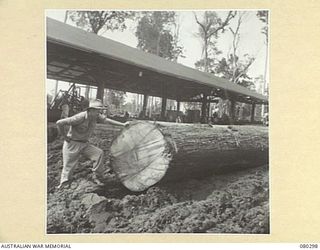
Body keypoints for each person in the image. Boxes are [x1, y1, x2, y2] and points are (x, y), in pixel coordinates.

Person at [56, 99, 129, 189]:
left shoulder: (96, 116)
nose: (99, 113)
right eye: (97, 110)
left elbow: (107, 120)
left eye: (100, 111)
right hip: (72, 144)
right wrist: (65, 137)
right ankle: (64, 186)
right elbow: (59, 123)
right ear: (90, 110)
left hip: (84, 144)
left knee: (98, 154)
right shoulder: (79, 117)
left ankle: (97, 177)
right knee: (68, 166)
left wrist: (123, 124)